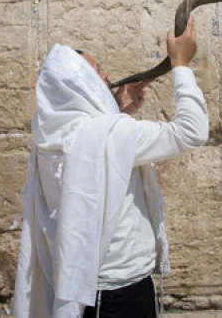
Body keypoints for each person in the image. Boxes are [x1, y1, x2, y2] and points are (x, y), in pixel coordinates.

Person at [13, 17, 209, 318]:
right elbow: (191, 131)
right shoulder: (111, 134)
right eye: (96, 73)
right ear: (79, 86)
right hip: (119, 292)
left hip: (91, 289)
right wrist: (180, 64)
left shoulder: (51, 133)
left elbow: (93, 161)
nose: (106, 76)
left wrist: (117, 110)